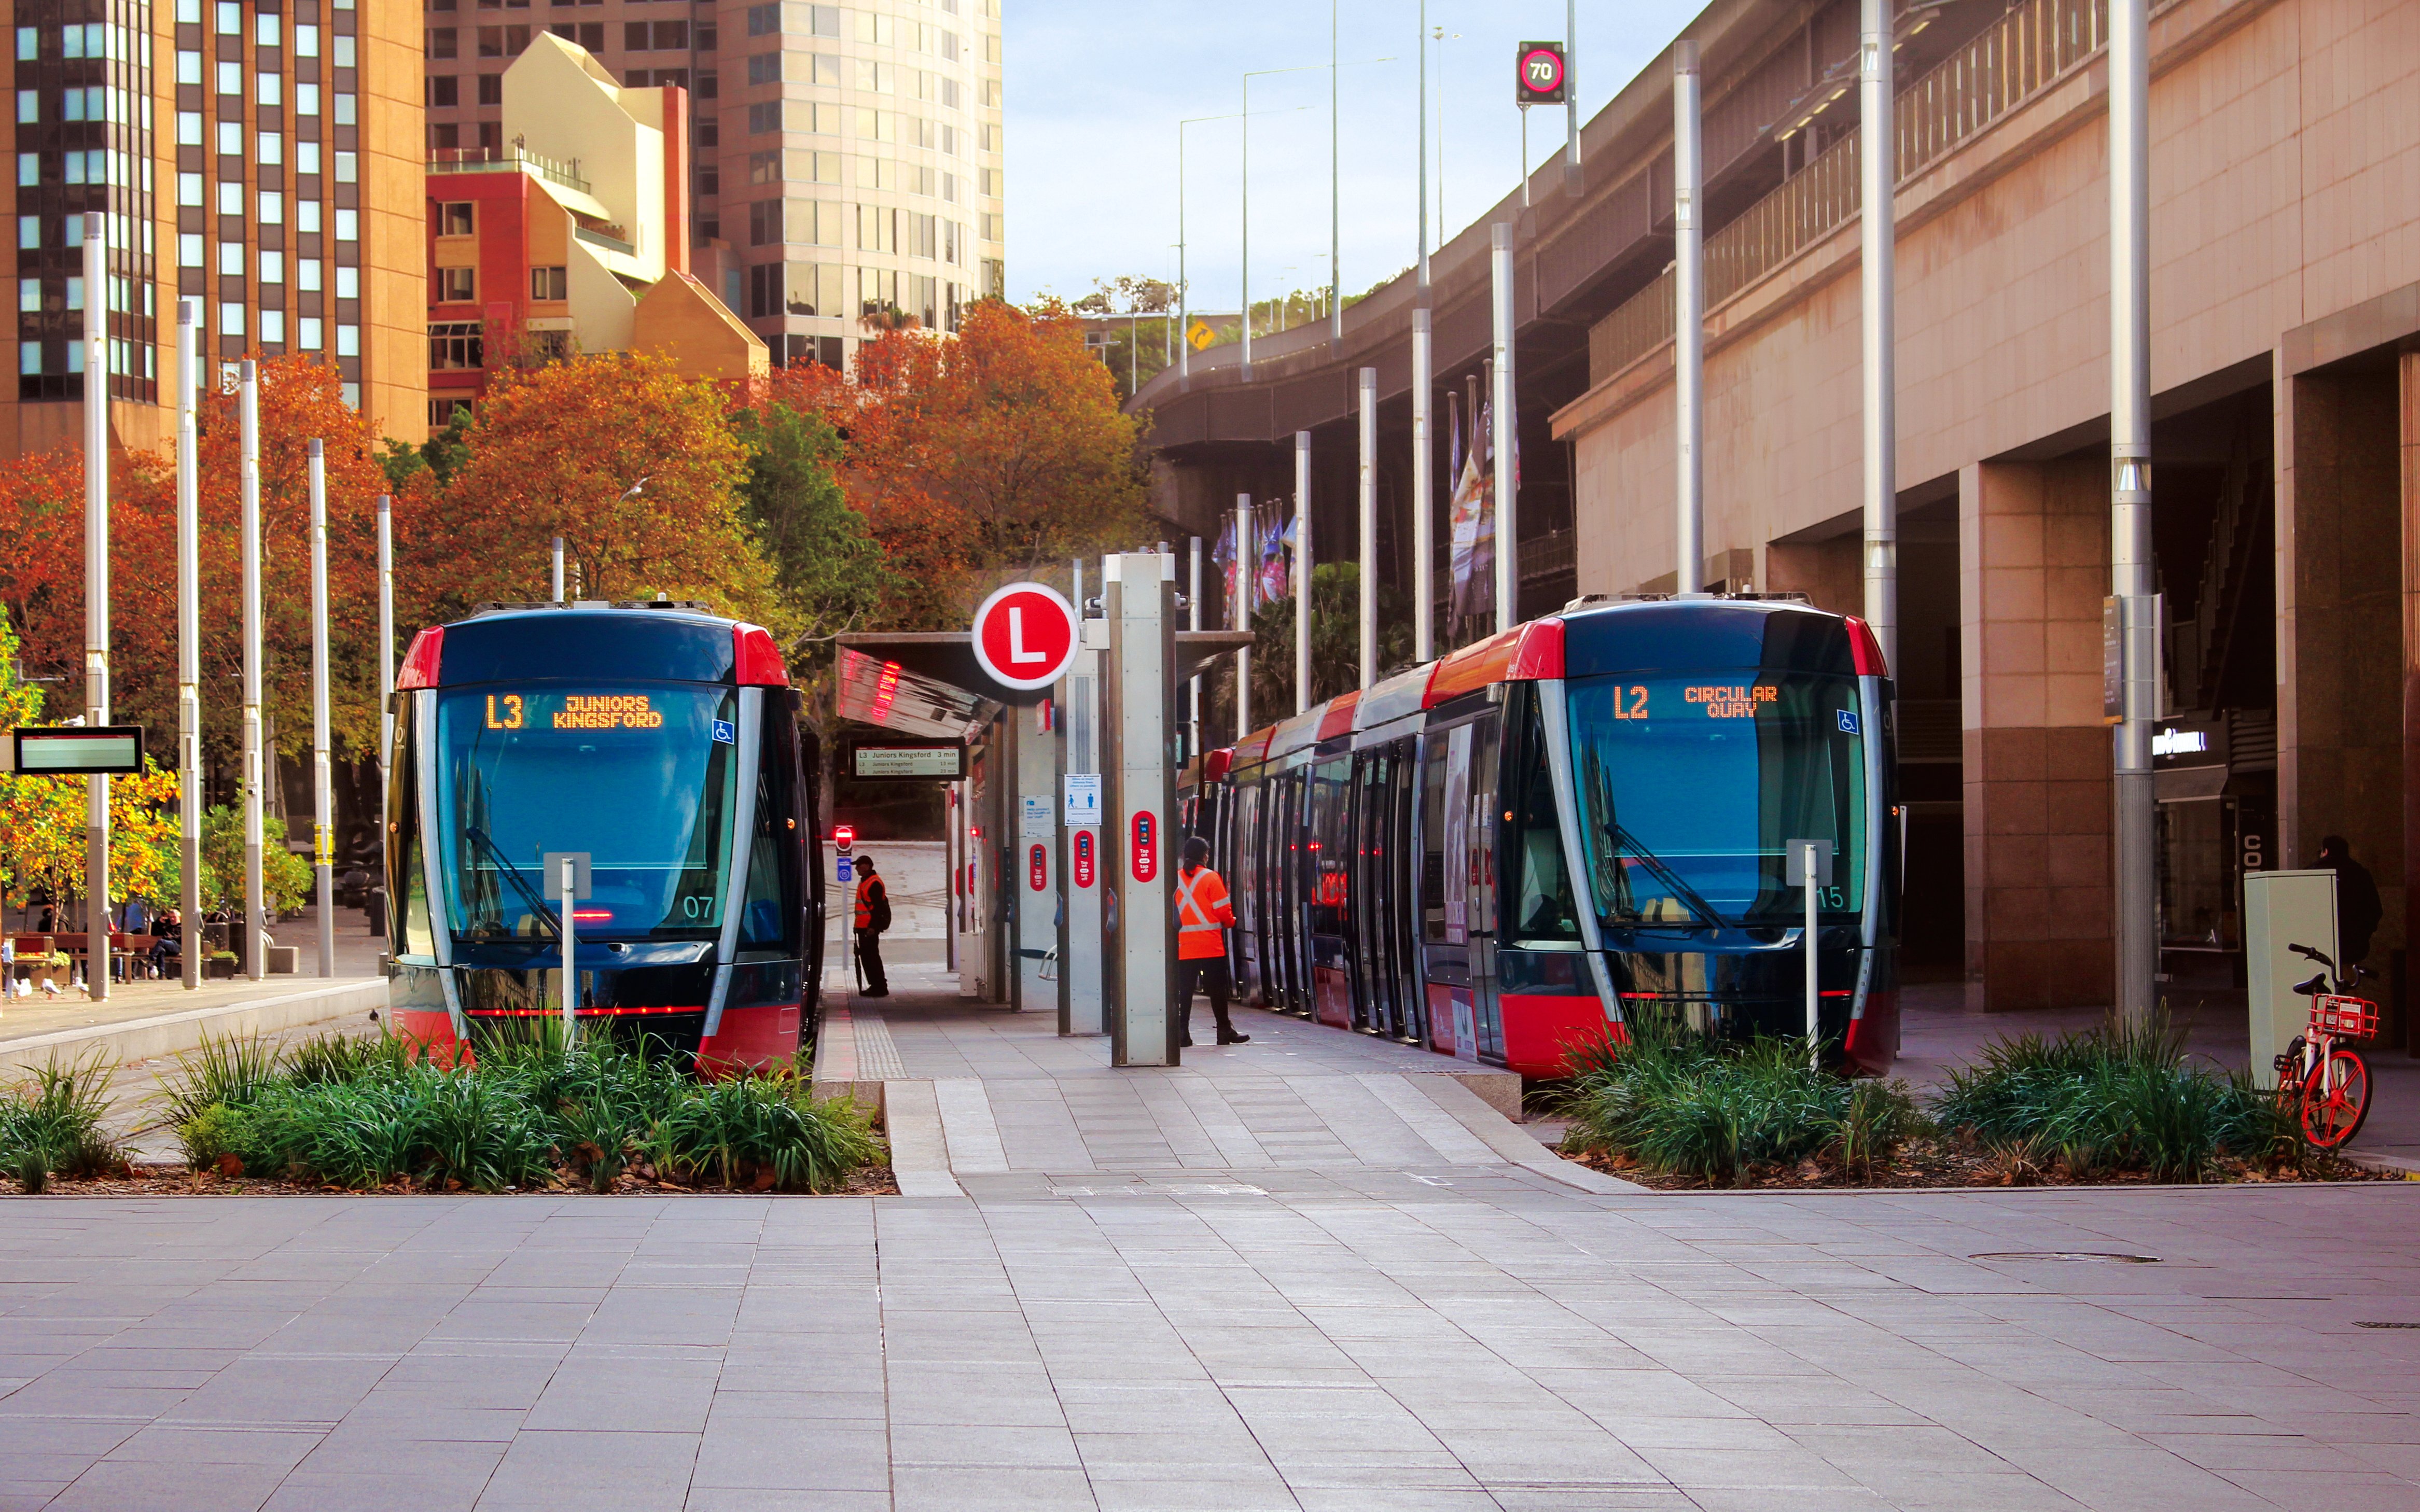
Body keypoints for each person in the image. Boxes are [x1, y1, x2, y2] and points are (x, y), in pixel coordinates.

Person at [1174, 836, 1248, 1047]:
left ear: (1184, 855)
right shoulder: (1211, 878)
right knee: (1217, 990)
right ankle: (1224, 1031)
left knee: (1185, 990)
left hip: (1183, 947)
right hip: (1210, 946)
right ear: (1205, 856)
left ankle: (1182, 1033)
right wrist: (1231, 921)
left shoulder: (1174, 879)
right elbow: (1224, 912)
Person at [2318, 834, 2384, 968]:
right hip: (2353, 947)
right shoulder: (2361, 874)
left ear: (2326, 851)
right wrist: (2363, 935)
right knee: (2348, 983)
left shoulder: (2312, 872)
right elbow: (2375, 909)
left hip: (2319, 947)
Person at [854, 855, 891, 998]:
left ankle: (880, 986)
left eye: (859, 865)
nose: (856, 868)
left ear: (867, 866)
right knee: (868, 958)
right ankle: (876, 985)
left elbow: (877, 908)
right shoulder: (865, 882)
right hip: (864, 927)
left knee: (872, 958)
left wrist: (872, 927)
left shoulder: (874, 883)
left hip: (869, 928)